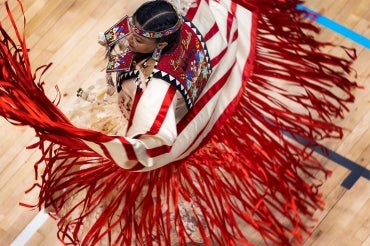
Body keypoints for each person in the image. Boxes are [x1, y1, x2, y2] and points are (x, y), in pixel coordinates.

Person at [0, 0, 358, 245]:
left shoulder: (161, 87)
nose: (128, 36)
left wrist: (73, 131)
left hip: (165, 126)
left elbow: (149, 146)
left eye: (137, 37)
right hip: (139, 100)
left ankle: (182, 219)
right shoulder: (150, 27)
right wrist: (120, 59)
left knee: (163, 177)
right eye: (132, 30)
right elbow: (115, 37)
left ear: (160, 43)